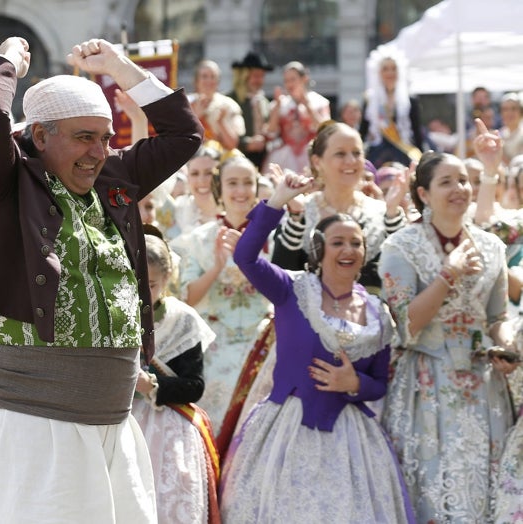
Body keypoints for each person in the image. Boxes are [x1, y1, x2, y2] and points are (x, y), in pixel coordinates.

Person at [0, 36, 203, 523]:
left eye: (106, 137)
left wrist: (118, 68)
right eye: (85, 136)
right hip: (29, 420)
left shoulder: (112, 179)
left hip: (111, 418)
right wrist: (6, 62)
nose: (100, 151)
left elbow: (183, 136)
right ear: (40, 136)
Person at [220, 171, 413, 522]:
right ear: (320, 249)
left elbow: (379, 383)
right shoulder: (292, 289)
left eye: (356, 243)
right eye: (338, 242)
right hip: (286, 430)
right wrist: (276, 201)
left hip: (350, 438)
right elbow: (246, 257)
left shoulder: (378, 314)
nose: (348, 250)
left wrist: (354, 384)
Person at [379, 150, 516, 522]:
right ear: (423, 194)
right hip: (425, 384)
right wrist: (446, 276)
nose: (459, 189)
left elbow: (496, 317)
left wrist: (505, 344)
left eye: (463, 180)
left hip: (482, 386)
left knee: (485, 489)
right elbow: (406, 326)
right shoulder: (399, 247)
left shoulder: (491, 247)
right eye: (446, 182)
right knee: (433, 487)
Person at [170, 155, 273, 434]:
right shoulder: (199, 239)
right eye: (232, 183)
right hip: (215, 342)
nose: (241, 191)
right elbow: (187, 298)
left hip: (262, 340)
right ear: (219, 188)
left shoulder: (273, 236)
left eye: (247, 182)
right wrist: (216, 266)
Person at [132, 231, 219, 524]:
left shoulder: (182, 321)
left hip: (168, 430)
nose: (143, 292)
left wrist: (152, 386)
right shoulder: (113, 316)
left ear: (167, 279)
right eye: (135, 283)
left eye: (152, 285)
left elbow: (194, 386)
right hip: (121, 420)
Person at [273, 121, 407, 291]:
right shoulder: (301, 211)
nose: (351, 161)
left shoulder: (382, 212)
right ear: (317, 162)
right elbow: (280, 278)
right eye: (340, 154)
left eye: (357, 153)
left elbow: (402, 273)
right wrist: (296, 217)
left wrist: (393, 213)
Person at [263, 61, 331, 175]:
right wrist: (277, 108)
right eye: (286, 81)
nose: (289, 84)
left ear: (304, 79)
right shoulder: (280, 104)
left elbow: (325, 130)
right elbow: (270, 133)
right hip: (285, 156)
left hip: (311, 154)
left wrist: (308, 106)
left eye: (293, 79)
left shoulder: (318, 102)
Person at [360, 48, 423, 168]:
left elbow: (416, 130)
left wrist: (421, 154)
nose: (390, 73)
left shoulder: (410, 99)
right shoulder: (370, 99)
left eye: (393, 69)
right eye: (385, 69)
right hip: (377, 149)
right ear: (379, 73)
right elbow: (363, 130)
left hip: (403, 148)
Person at [228, 51, 273, 170]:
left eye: (262, 76)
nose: (259, 80)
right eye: (255, 76)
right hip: (237, 158)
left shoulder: (264, 102)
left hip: (263, 159)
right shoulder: (230, 100)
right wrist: (247, 144)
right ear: (244, 76)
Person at [188, 59, 245, 152]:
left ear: (218, 81)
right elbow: (180, 139)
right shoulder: (186, 103)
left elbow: (232, 144)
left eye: (213, 77)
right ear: (196, 81)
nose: (209, 80)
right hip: (192, 156)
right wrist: (196, 116)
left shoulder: (228, 105)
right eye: (204, 76)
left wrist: (221, 122)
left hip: (221, 156)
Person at [174, 145, 222, 235]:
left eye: (209, 173)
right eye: (195, 174)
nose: (202, 181)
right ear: (188, 177)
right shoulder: (177, 209)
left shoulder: (232, 210)